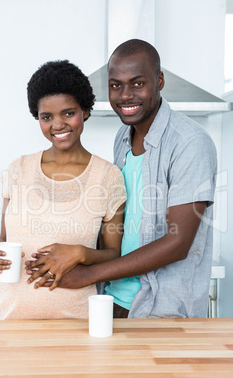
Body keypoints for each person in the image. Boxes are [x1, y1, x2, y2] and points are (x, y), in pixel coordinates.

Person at [26, 39, 217, 319]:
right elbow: (119, 223)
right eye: (116, 85)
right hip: (112, 301)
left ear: (159, 80)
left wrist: (88, 274)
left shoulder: (190, 142)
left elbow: (178, 243)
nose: (125, 95)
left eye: (138, 83)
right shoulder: (123, 138)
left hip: (162, 310)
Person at [0, 60, 126, 320]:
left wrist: (79, 252)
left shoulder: (108, 176)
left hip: (77, 322)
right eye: (46, 117)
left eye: (68, 113)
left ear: (85, 110)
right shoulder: (18, 169)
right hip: (7, 321)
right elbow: (4, 240)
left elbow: (113, 254)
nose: (58, 125)